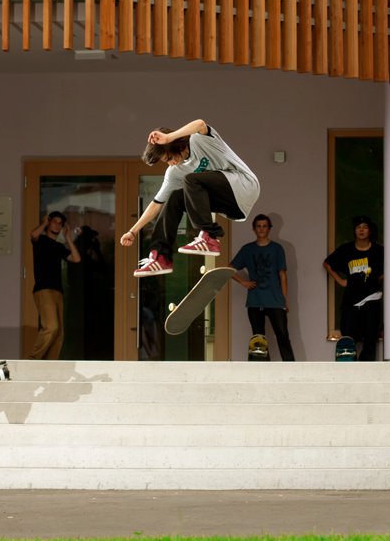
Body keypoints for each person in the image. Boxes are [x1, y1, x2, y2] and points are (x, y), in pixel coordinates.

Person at [120, 119, 260, 277]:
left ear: (175, 145)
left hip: (245, 185)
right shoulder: (175, 172)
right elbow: (156, 204)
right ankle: (161, 257)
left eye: (168, 159)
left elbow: (200, 123)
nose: (171, 164)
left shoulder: (199, 141)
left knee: (191, 180)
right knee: (175, 198)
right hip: (233, 207)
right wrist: (132, 232)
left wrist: (169, 137)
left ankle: (209, 237)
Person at [231, 213, 296, 361]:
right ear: (254, 229)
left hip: (275, 300)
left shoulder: (277, 248)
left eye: (264, 226)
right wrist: (243, 282)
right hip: (255, 301)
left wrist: (284, 299)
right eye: (258, 226)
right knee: (258, 341)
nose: (261, 229)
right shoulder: (247, 249)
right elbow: (229, 269)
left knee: (283, 336)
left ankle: (292, 369)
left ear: (269, 229)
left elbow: (283, 275)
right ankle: (261, 371)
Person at [323, 215, 384, 361]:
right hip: (350, 301)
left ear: (370, 231)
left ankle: (366, 374)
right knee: (348, 341)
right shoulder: (346, 249)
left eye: (365, 227)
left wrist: (378, 279)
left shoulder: (378, 251)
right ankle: (349, 372)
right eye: (358, 227)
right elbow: (327, 264)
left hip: (371, 300)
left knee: (370, 340)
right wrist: (341, 281)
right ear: (354, 231)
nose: (361, 230)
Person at [29, 210, 81, 359]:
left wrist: (68, 237)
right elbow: (33, 235)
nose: (58, 225)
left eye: (61, 223)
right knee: (51, 327)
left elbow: (76, 258)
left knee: (59, 333)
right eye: (55, 222)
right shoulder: (41, 241)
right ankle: (33, 359)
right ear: (49, 222)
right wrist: (44, 223)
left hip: (57, 291)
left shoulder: (58, 247)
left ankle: (50, 363)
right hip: (43, 289)